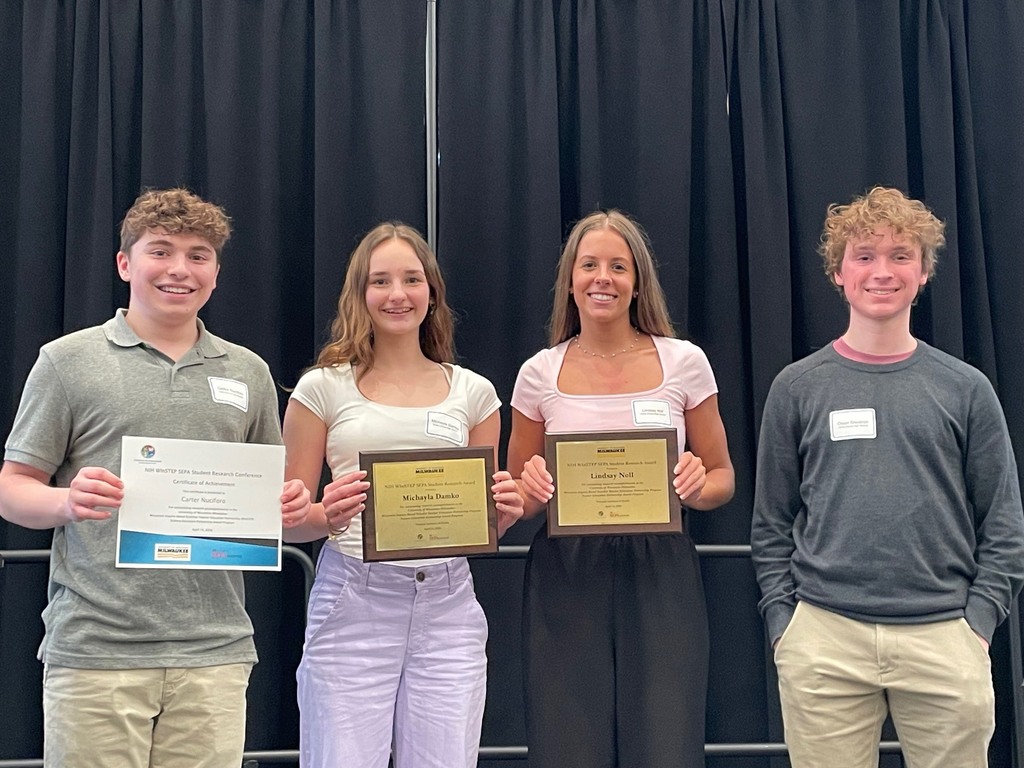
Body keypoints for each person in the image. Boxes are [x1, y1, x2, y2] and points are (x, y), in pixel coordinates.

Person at [0, 188, 311, 768]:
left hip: (215, 649)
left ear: (216, 272)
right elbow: (12, 487)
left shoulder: (248, 371)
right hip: (96, 647)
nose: (179, 270)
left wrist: (288, 506)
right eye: (160, 251)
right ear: (125, 263)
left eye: (198, 255)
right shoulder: (66, 361)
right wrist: (68, 502)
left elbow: (271, 503)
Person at [751, 186, 1024, 768]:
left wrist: (977, 624)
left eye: (901, 255)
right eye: (865, 255)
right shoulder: (797, 387)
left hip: (945, 634)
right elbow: (771, 522)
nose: (883, 271)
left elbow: (1003, 520)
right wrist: (786, 625)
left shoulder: (966, 388)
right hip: (824, 638)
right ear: (838, 271)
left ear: (924, 271)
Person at [281, 221, 523, 768]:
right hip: (352, 597)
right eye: (380, 281)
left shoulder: (475, 393)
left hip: (449, 605)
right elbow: (289, 522)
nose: (397, 295)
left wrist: (502, 514)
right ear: (359, 294)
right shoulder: (322, 388)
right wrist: (323, 512)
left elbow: (480, 522)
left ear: (431, 291)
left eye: (412, 279)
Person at [507, 209, 735, 767]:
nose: (602, 278)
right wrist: (530, 488)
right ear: (570, 278)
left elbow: (723, 477)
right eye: (589, 265)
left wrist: (697, 487)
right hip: (566, 570)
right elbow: (513, 492)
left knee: (665, 739)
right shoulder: (538, 372)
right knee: (567, 740)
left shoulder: (685, 362)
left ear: (638, 283)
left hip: (661, 567)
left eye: (618, 266)